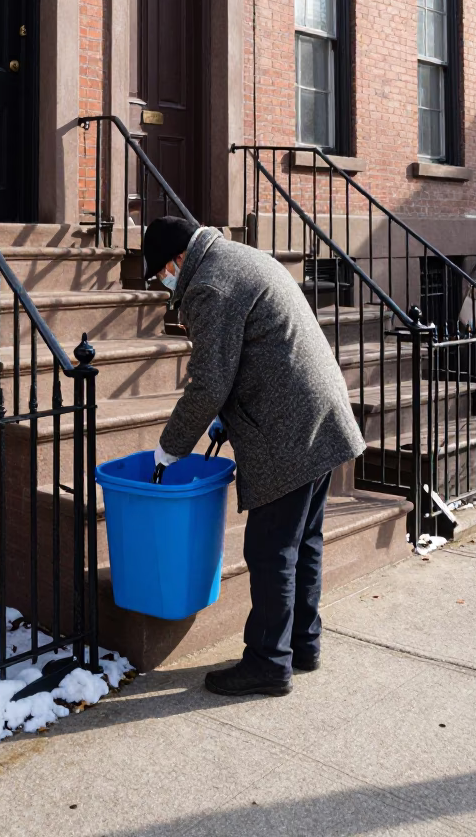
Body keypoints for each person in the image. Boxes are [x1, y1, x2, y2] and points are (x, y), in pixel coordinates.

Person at [142, 216, 366, 698]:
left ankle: (267, 662)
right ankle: (301, 644)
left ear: (178, 259)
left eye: (161, 273)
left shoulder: (208, 285)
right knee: (303, 540)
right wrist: (230, 414)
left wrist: (170, 447)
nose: (165, 285)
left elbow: (207, 382)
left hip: (288, 428)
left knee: (270, 550)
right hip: (318, 415)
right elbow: (250, 352)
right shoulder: (237, 258)